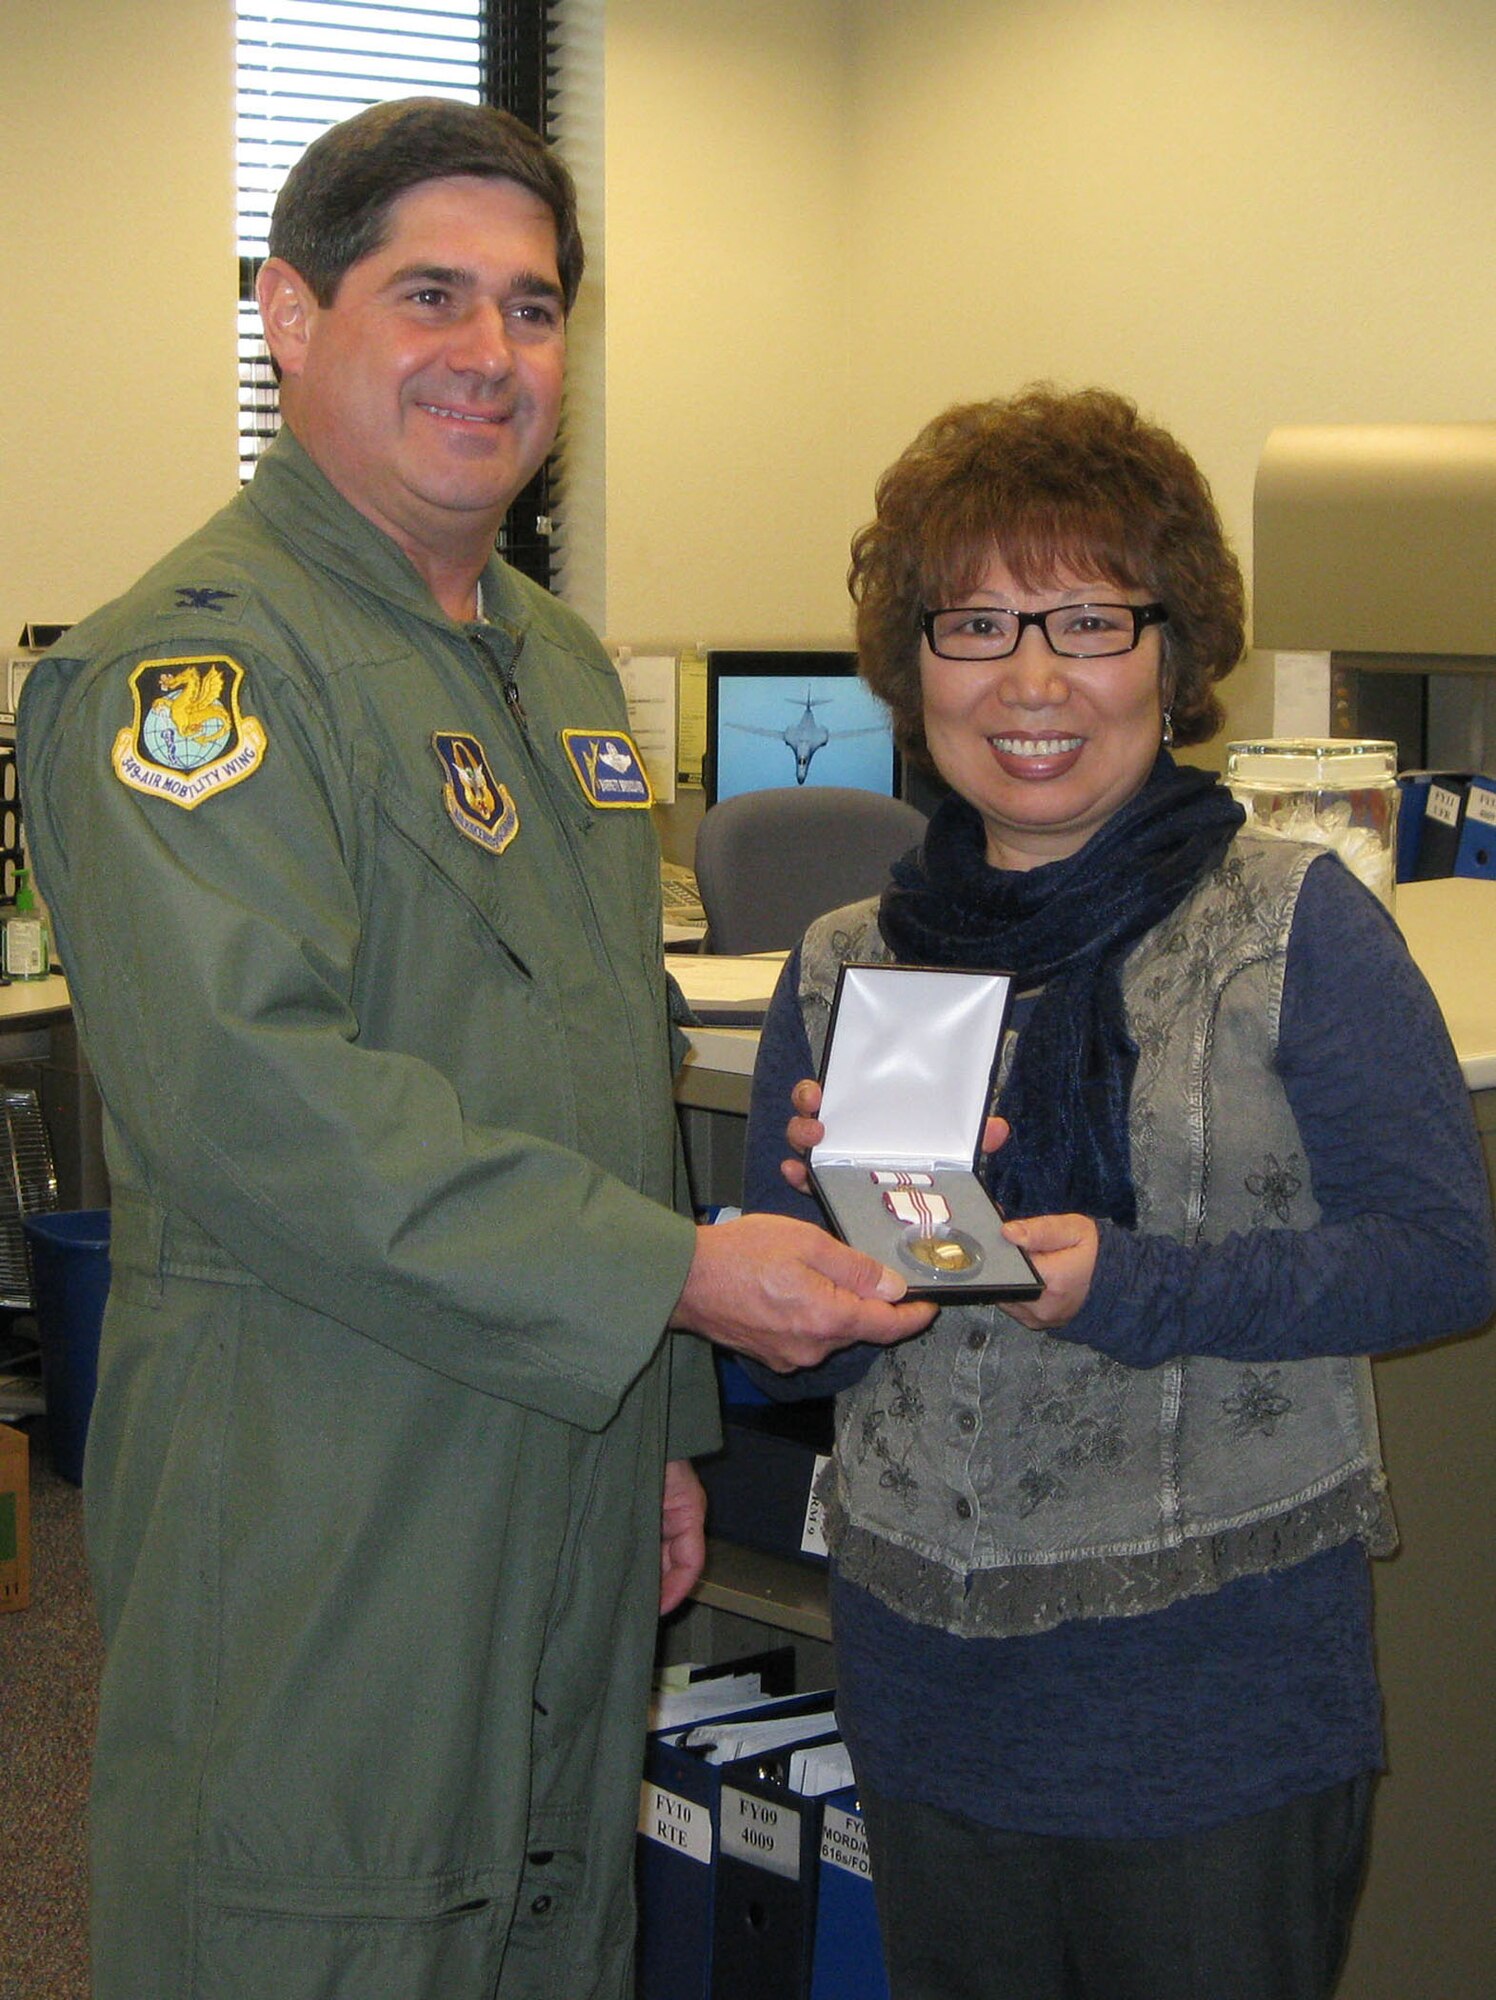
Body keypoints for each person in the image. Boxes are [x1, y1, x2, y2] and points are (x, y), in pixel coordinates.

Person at [17, 98, 934, 2000]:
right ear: (287, 314)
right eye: (429, 293)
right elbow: (266, 1106)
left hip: (568, 1438)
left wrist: (663, 1430)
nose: (489, 354)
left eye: (532, 308)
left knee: (547, 1921)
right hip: (329, 1459)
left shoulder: (555, 659)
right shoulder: (192, 671)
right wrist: (683, 1282)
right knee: (322, 1923)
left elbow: (602, 1062)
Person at [743, 385, 1496, 2000]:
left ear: (1173, 651)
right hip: (929, 1680)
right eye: (976, 623)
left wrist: (1133, 1283)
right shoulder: (844, 964)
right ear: (911, 659)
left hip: (1210, 1698)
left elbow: (1444, 1258)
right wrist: (824, 1275)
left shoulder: (1293, 925)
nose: (1029, 679)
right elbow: (784, 1361)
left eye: (1087, 620)